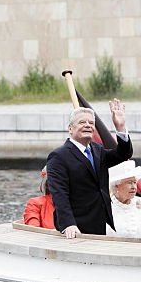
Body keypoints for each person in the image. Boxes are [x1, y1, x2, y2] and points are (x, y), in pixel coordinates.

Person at [46, 100, 132, 238]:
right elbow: (59, 193)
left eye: (91, 123)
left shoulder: (97, 150)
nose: (87, 125)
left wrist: (120, 128)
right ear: (70, 128)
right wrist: (68, 224)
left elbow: (123, 154)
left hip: (101, 222)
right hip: (76, 227)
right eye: (82, 122)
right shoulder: (58, 156)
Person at [106, 160, 141, 239]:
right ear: (116, 186)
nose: (134, 187)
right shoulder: (105, 206)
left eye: (134, 182)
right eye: (129, 182)